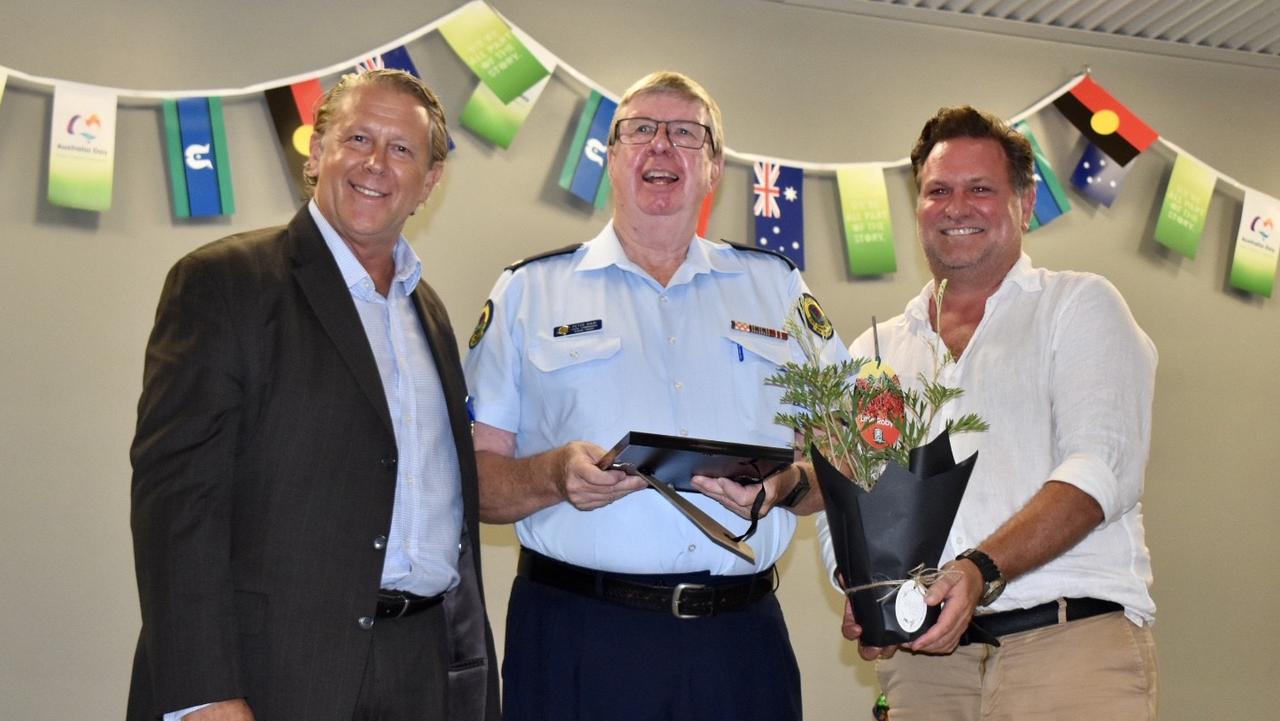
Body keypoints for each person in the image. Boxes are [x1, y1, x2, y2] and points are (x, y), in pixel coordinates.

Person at [463, 71, 845, 721]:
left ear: (714, 167)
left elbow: (847, 458)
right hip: (579, 637)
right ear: (610, 158)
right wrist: (554, 475)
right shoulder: (530, 291)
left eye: (685, 134)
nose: (660, 146)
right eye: (639, 129)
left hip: (740, 642)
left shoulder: (775, 288)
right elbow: (475, 480)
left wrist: (785, 486)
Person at [128, 69, 499, 721]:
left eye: (401, 149)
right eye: (357, 137)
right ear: (317, 150)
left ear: (430, 180)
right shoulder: (223, 284)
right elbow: (179, 505)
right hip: (272, 672)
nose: (375, 163)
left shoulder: (429, 313)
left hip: (419, 669)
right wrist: (202, 694)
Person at [820, 106, 1158, 719]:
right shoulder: (874, 350)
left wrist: (979, 569)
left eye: (981, 189)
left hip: (1066, 645)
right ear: (917, 206)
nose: (957, 207)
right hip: (925, 667)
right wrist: (862, 586)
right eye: (938, 190)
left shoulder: (1079, 307)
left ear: (1024, 205)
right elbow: (846, 498)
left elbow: (1101, 470)